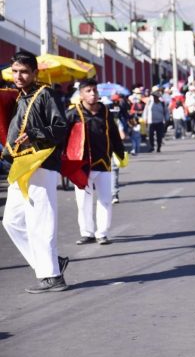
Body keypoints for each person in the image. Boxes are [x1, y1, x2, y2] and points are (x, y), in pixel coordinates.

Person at [1, 51, 69, 293]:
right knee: (11, 221)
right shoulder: (21, 96)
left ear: (34, 73)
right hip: (23, 167)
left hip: (42, 165)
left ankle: (53, 276)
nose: (19, 76)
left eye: (24, 72)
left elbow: (61, 127)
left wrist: (35, 132)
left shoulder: (45, 94)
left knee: (40, 222)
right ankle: (51, 264)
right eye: (15, 71)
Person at [65, 79, 126, 246]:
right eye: (88, 91)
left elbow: (113, 134)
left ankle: (102, 233)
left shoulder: (106, 112)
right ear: (81, 94)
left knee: (105, 199)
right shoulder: (72, 113)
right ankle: (87, 233)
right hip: (81, 165)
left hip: (104, 162)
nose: (92, 94)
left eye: (94, 91)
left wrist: (120, 153)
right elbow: (62, 137)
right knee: (83, 201)